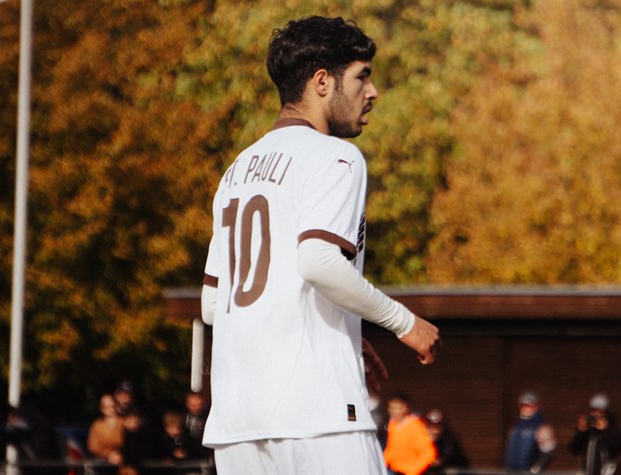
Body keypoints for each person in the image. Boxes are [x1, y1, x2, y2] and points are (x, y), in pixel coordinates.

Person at [199, 15, 442, 475]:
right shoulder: (337, 155)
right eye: (362, 76)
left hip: (236, 424)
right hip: (318, 415)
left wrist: (341, 325)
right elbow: (317, 261)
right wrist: (403, 322)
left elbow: (214, 304)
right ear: (322, 81)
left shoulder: (236, 171)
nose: (372, 92)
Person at [568, 393, 621, 475]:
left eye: (599, 410)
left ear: (605, 411)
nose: (596, 413)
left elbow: (618, 448)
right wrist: (580, 432)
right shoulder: (588, 427)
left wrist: (604, 430)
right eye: (593, 410)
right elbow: (573, 450)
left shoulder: (612, 427)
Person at [382, 392, 436, 475]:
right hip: (393, 470)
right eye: (390, 407)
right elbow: (391, 450)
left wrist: (413, 470)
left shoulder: (415, 426)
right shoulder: (391, 425)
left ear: (405, 408)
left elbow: (428, 453)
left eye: (396, 408)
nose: (392, 411)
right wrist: (381, 464)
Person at [504, 391, 557, 474]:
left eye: (530, 406)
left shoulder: (542, 427)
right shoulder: (515, 427)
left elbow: (548, 452)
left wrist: (535, 470)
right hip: (511, 471)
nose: (526, 408)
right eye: (523, 406)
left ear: (537, 407)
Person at [423, 409, 469, 473]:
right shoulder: (421, 437)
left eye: (437, 426)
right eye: (431, 426)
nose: (434, 430)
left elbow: (449, 453)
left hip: (451, 467)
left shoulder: (448, 438)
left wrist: (440, 460)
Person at [87, 394, 124, 468]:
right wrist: (109, 455)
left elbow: (131, 442)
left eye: (112, 406)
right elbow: (93, 446)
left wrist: (121, 455)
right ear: (102, 409)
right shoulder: (97, 425)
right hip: (102, 465)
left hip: (123, 463)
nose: (110, 409)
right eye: (106, 407)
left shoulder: (124, 423)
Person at [182, 391, 213, 463]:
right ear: (187, 403)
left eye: (200, 404)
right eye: (193, 405)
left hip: (205, 454)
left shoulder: (210, 416)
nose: (197, 408)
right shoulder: (181, 416)